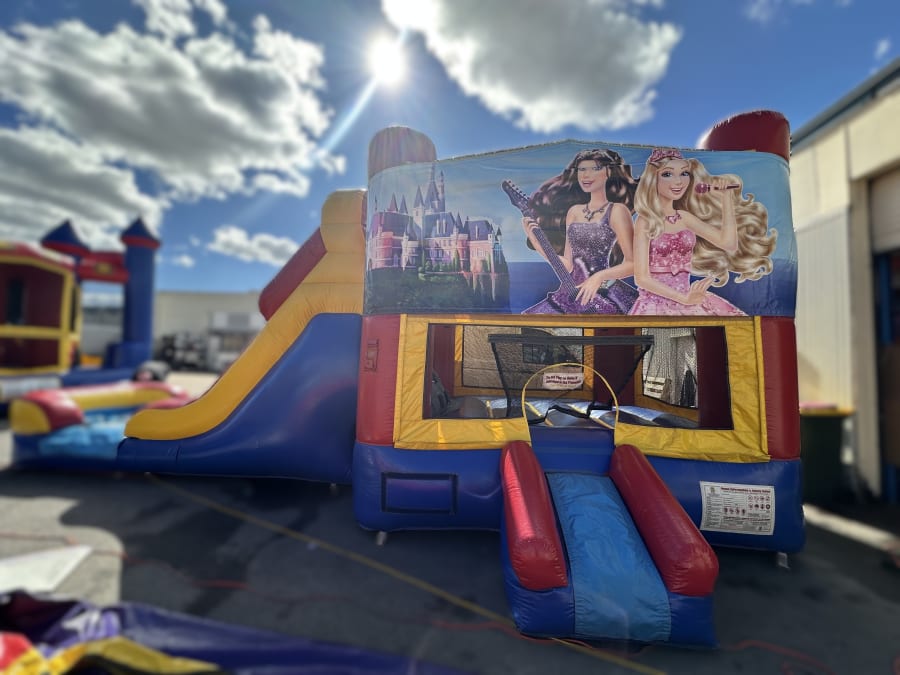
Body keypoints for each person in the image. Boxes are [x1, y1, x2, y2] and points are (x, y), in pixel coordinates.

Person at [628, 148, 776, 316]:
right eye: (668, 174)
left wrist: (726, 199)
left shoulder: (684, 217)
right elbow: (642, 278)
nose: (679, 181)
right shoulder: (645, 221)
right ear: (652, 179)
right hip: (655, 306)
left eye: (684, 173)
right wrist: (684, 299)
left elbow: (728, 244)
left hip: (691, 299)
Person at [519, 149, 638, 313]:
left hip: (603, 292)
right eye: (582, 169)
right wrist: (537, 243)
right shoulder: (574, 211)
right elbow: (568, 265)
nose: (586, 175)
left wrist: (599, 277)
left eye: (594, 169)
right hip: (570, 293)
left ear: (608, 172)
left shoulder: (617, 210)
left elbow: (633, 264)